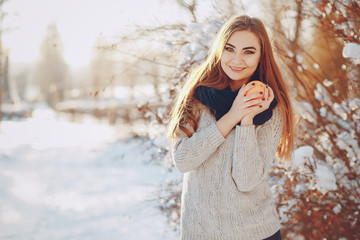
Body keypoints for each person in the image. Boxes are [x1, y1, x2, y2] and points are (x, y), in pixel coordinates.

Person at [167, 15, 294, 240]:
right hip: (201, 232)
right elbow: (183, 160)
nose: (237, 59)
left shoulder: (270, 107)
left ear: (261, 56)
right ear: (220, 49)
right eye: (230, 48)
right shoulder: (197, 96)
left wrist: (247, 121)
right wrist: (233, 115)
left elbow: (246, 181)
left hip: (256, 233)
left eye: (248, 51)